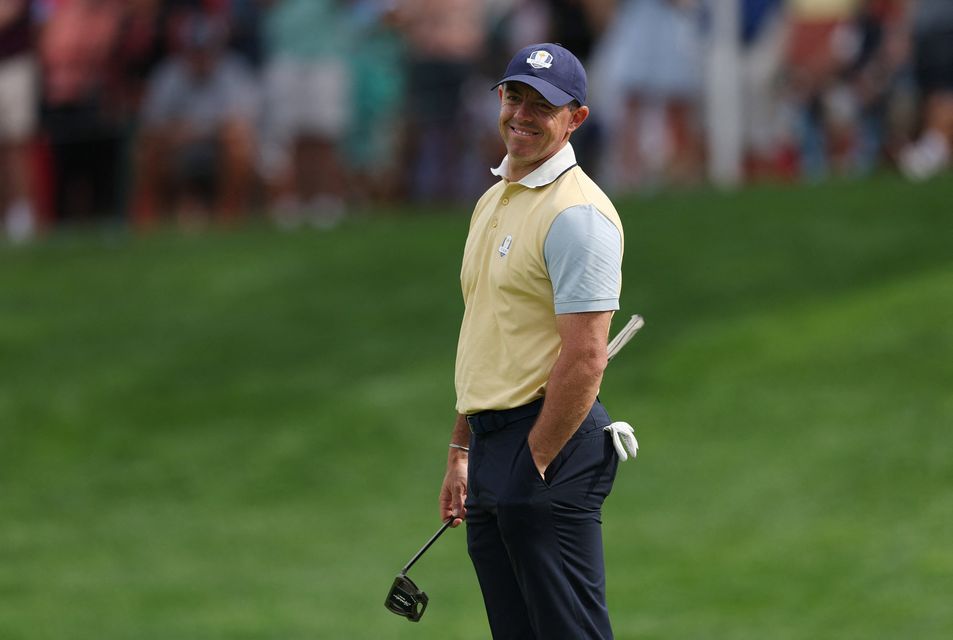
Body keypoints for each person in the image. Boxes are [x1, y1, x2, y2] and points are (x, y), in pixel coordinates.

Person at [439, 43, 625, 639]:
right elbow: (487, 337)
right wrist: (462, 450)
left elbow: (587, 355)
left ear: (575, 119)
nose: (521, 113)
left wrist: (536, 459)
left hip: (553, 446)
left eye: (542, 105)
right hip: (495, 446)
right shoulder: (492, 200)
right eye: (514, 96)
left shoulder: (578, 216)